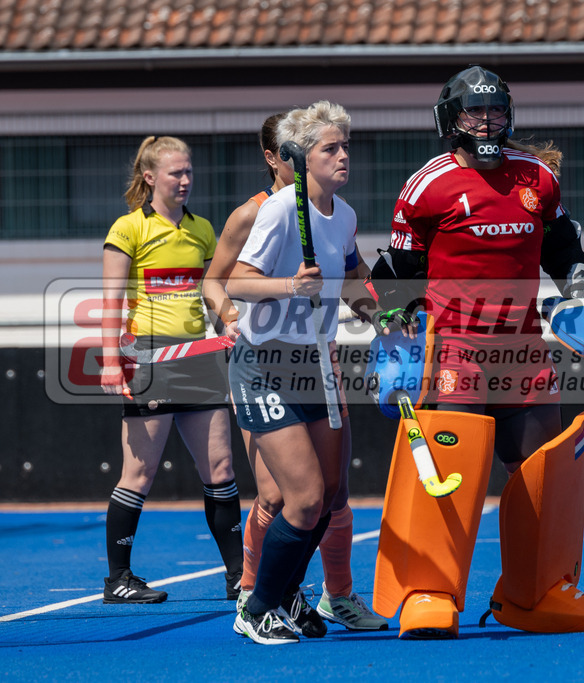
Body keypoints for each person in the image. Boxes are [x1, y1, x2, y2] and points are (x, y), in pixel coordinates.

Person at [368, 66, 584, 638]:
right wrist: (390, 335)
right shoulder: (427, 186)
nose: (488, 121)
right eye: (475, 112)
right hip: (455, 354)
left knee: (544, 471)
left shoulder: (538, 179)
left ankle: (535, 594)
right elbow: (397, 274)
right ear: (451, 119)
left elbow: (564, 250)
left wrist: (582, 295)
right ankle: (430, 592)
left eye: (496, 111)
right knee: (448, 473)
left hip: (524, 353)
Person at [202, 113, 386, 631]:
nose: (344, 156)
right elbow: (233, 280)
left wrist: (385, 315)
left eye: (346, 146)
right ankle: (255, 606)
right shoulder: (279, 210)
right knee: (295, 497)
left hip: (317, 360)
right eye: (331, 149)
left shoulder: (344, 215)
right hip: (264, 361)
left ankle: (288, 594)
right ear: (300, 158)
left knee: (327, 497)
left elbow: (353, 279)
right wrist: (286, 288)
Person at [98, 135, 243, 603]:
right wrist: (108, 359)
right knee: (140, 473)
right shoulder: (128, 229)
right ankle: (118, 579)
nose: (185, 180)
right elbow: (110, 300)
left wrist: (230, 320)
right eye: (175, 173)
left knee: (220, 468)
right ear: (149, 177)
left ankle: (240, 574)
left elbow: (211, 289)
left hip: (198, 357)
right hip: (149, 359)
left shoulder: (202, 229)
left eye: (188, 172)